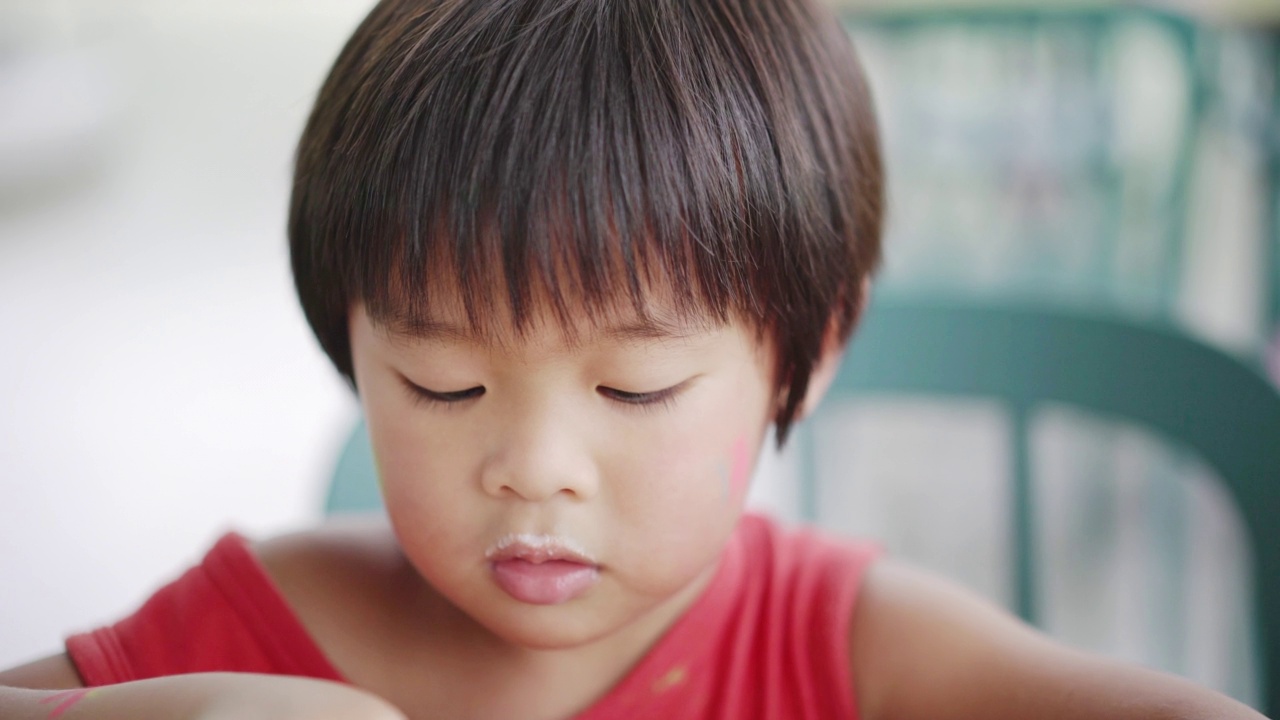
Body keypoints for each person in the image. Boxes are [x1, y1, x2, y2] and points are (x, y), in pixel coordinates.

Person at [0, 1, 1266, 718]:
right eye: (442, 382)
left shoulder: (851, 655)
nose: (532, 469)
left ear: (809, 352)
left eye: (632, 388)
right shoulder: (251, 635)